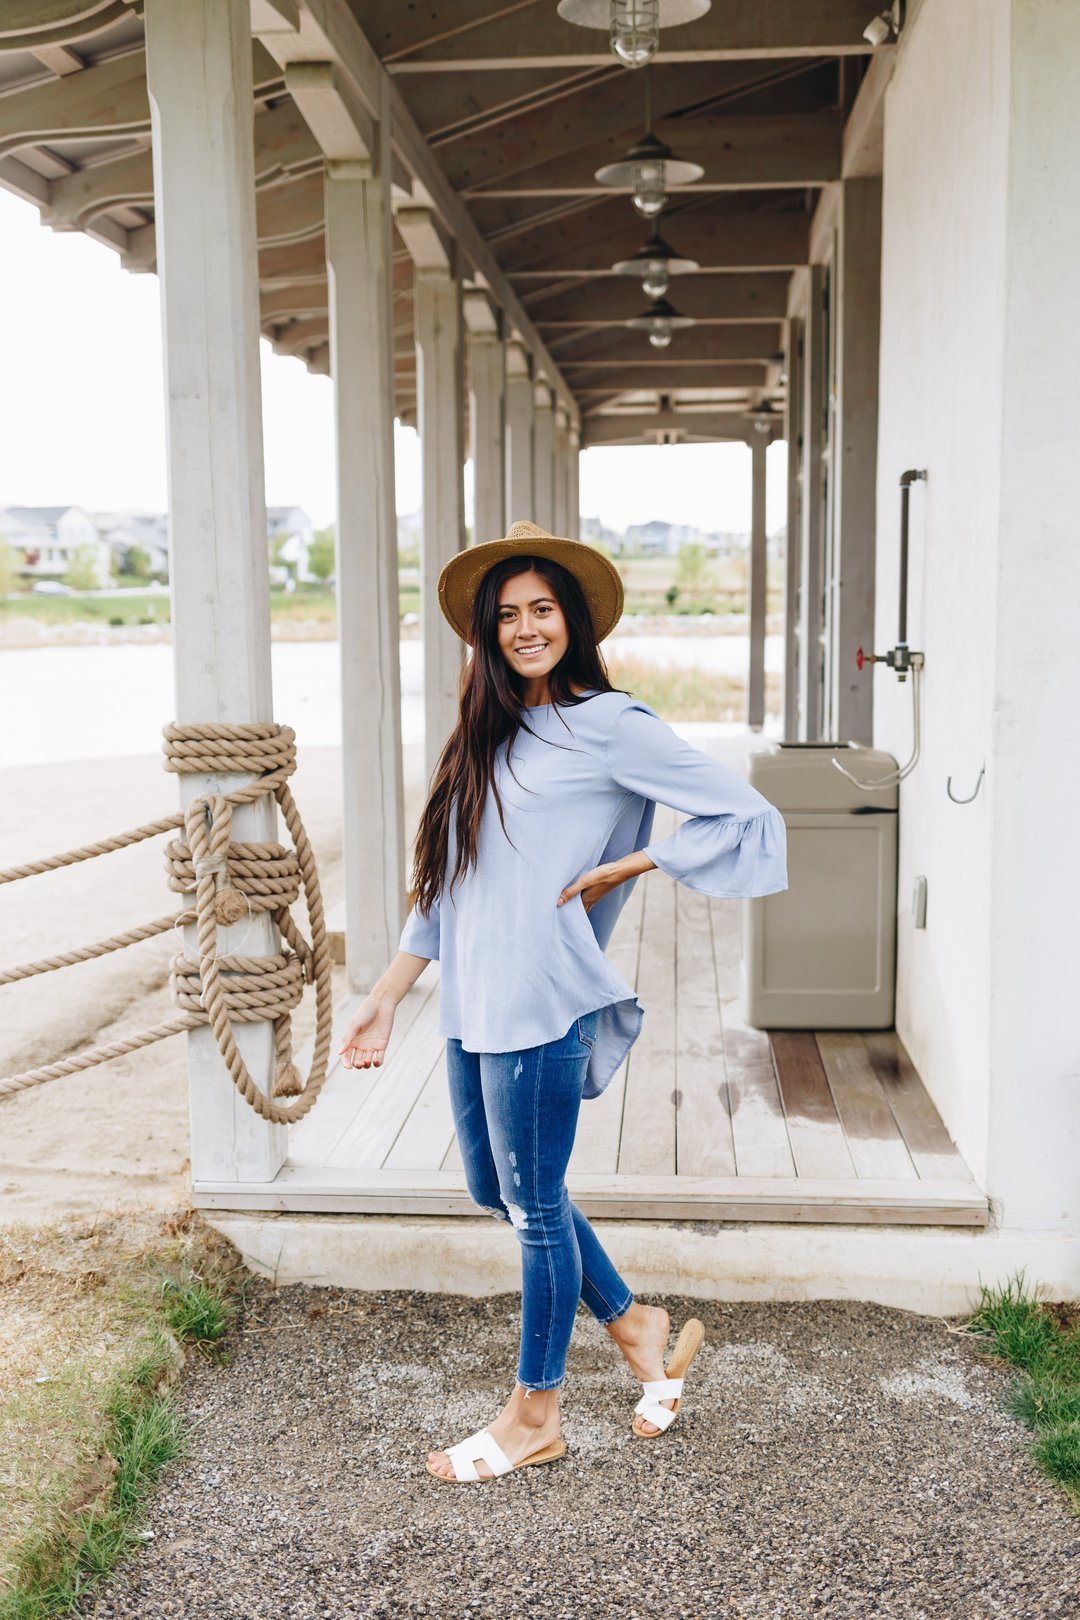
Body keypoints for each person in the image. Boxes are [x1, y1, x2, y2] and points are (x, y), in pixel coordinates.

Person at [338, 519, 789, 1484]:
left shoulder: (614, 724)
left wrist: (635, 859)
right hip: (474, 998)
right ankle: (634, 1322)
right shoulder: (490, 732)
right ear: (488, 634)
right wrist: (384, 997)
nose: (525, 627)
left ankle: (534, 1414)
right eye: (507, 615)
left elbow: (747, 813)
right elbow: (452, 884)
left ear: (574, 621)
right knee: (494, 1190)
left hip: (546, 998)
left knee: (535, 1208)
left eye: (542, 609)